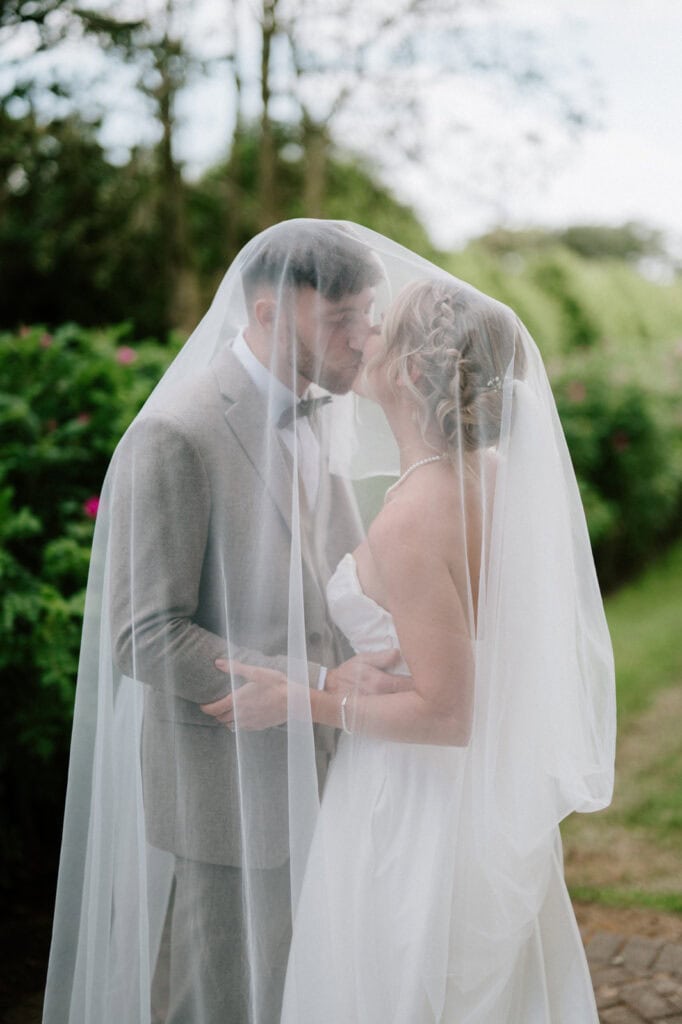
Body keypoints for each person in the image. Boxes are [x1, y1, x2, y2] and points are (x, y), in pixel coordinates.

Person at [221, 273, 617, 1021]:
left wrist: (303, 700)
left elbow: (446, 714)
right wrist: (366, 678)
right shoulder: (492, 477)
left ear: (406, 370)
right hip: (478, 791)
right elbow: (471, 660)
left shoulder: (411, 519)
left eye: (381, 327)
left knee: (394, 982)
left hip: (409, 801)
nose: (362, 334)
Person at [43, 221, 405, 1024]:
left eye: (366, 316)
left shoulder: (321, 411)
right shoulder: (177, 433)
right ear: (271, 313)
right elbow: (143, 633)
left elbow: (331, 586)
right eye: (340, 320)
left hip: (336, 768)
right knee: (216, 1002)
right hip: (229, 793)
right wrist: (316, 684)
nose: (362, 340)